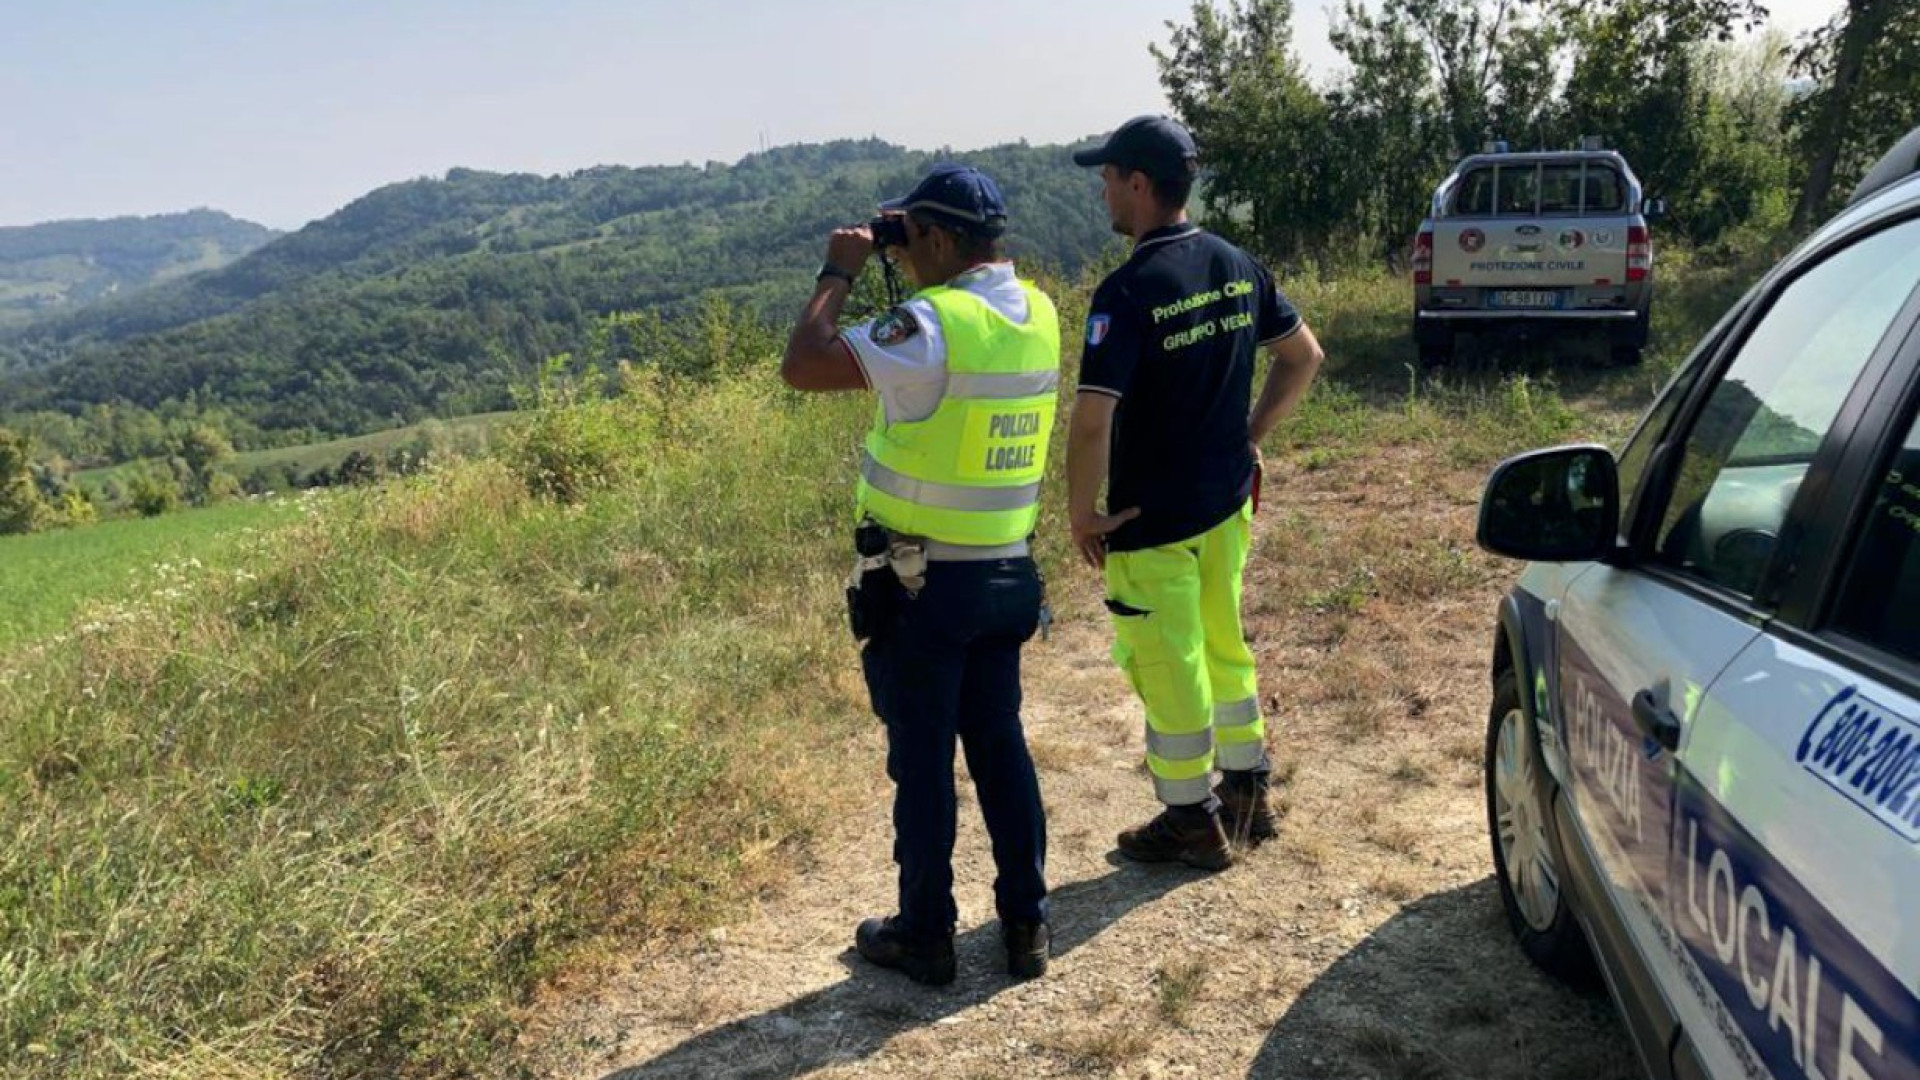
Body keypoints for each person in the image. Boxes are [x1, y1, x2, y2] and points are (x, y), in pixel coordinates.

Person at [781, 164, 1060, 985]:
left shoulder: (934, 324)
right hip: (1007, 573)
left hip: (923, 584)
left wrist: (843, 267)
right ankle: (1028, 926)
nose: (908, 261)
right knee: (1002, 750)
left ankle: (927, 934)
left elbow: (805, 363)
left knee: (924, 760)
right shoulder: (1037, 312)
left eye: (913, 245)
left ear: (937, 238)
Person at [1067, 116, 1325, 870]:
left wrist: (1081, 514)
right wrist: (1250, 438)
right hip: (1224, 503)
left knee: (1166, 661)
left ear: (1140, 185)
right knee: (1222, 644)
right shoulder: (1235, 261)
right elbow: (1303, 358)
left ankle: (1189, 819)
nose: (1104, 190)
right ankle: (1247, 788)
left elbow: (1091, 423)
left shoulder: (1128, 290)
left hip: (1152, 520)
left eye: (1109, 176)